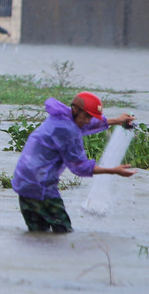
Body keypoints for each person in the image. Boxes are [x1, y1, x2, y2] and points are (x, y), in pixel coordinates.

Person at [12, 91, 136, 233]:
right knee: (64, 231)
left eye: (91, 117)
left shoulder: (61, 117)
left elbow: (85, 124)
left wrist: (116, 120)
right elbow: (79, 167)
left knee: (38, 235)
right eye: (87, 116)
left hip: (23, 183)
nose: (88, 120)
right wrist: (113, 170)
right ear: (76, 109)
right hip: (41, 186)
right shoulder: (68, 130)